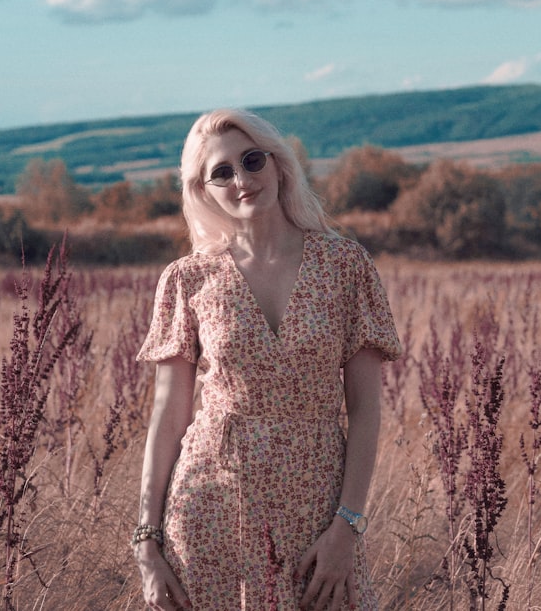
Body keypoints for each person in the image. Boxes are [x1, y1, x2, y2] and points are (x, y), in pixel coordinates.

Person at [133, 108, 401, 610]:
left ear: (279, 165)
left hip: (318, 509)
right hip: (209, 509)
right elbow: (168, 417)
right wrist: (147, 541)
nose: (242, 180)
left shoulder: (346, 266)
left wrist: (348, 525)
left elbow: (366, 411)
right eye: (222, 172)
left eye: (252, 160)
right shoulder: (186, 279)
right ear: (202, 189)